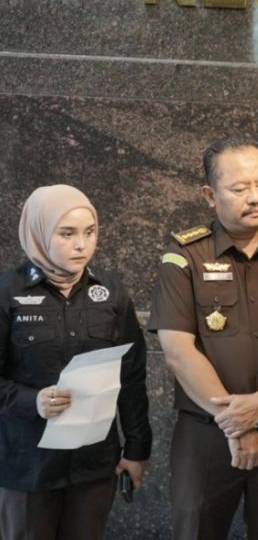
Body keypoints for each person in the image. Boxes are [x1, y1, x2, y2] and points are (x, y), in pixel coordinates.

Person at [148, 136, 258, 540]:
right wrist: (237, 425)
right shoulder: (185, 257)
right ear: (210, 195)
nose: (255, 197)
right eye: (240, 188)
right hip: (206, 435)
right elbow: (178, 352)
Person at [0, 184, 151, 540]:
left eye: (90, 232)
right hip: (27, 466)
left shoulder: (110, 293)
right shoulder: (8, 293)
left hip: (93, 465)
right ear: (38, 233)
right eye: (67, 234)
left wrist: (137, 448)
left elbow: (131, 376)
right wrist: (32, 400)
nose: (82, 245)